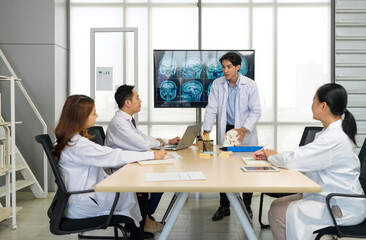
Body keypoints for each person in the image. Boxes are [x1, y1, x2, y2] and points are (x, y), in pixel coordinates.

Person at [253, 83, 366, 240]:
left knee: (276, 213)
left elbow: (295, 159)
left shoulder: (333, 138)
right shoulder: (330, 133)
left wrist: (272, 156)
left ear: (323, 106)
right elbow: (302, 157)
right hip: (330, 195)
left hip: (340, 205)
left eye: (314, 100)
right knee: (276, 204)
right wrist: (275, 156)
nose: (311, 105)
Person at [53, 95, 166, 240]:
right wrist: (152, 156)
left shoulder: (72, 140)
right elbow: (113, 156)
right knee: (139, 193)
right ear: (81, 117)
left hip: (83, 197)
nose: (97, 115)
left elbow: (113, 155)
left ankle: (139, 226)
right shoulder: (78, 145)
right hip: (83, 204)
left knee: (135, 191)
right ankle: (138, 232)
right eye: (93, 113)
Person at [105, 84, 180, 233]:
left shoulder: (127, 120)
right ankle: (142, 220)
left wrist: (166, 140)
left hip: (131, 162)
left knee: (160, 180)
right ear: (127, 102)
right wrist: (160, 142)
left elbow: (142, 138)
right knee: (158, 182)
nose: (140, 101)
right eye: (137, 98)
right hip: (121, 167)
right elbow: (141, 144)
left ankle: (144, 218)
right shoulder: (120, 123)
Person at [203, 52, 261, 221]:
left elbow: (256, 111)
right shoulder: (217, 84)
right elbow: (211, 108)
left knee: (247, 168)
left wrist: (243, 129)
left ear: (237, 67)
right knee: (223, 168)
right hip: (226, 130)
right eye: (223, 67)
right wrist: (206, 132)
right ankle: (224, 206)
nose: (225, 70)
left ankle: (247, 206)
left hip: (245, 131)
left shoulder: (250, 85)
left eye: (229, 67)